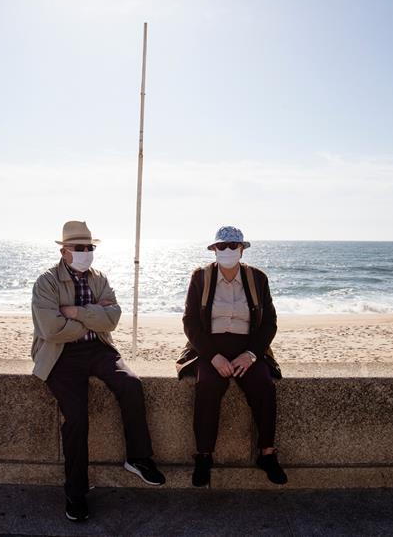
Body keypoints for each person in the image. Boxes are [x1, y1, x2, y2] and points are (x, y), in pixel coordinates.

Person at [31, 220, 165, 522]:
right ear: (65, 251)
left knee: (131, 384)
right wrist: (94, 314)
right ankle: (75, 493)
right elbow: (51, 329)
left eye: (90, 247)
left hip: (98, 349)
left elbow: (112, 319)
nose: (86, 253)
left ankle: (138, 458)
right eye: (80, 248)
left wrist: (76, 313)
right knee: (76, 418)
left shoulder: (99, 278)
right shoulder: (47, 282)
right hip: (61, 356)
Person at [180, 225, 287, 487]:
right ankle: (204, 456)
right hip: (209, 347)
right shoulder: (201, 277)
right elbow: (190, 321)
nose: (227, 251)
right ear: (214, 249)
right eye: (221, 246)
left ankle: (267, 453)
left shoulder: (257, 278)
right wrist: (213, 357)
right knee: (206, 385)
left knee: (263, 385)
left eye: (232, 246)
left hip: (247, 347)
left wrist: (251, 354)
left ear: (242, 249)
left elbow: (269, 323)